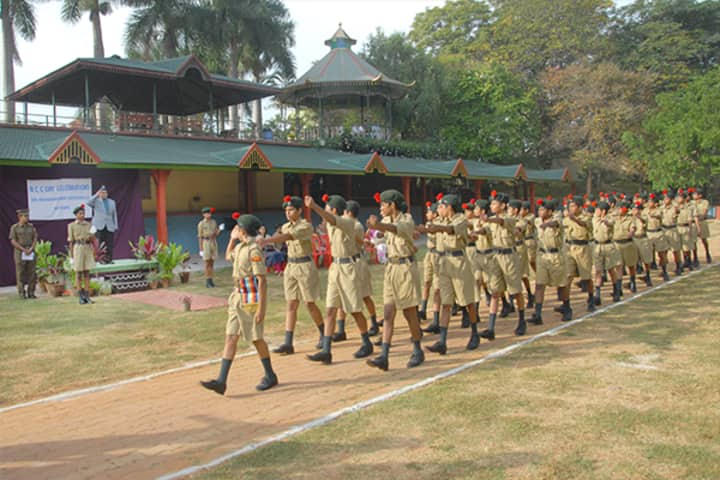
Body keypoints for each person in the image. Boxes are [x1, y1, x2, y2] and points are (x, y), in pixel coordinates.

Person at [201, 214, 278, 394]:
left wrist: (261, 308)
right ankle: (221, 381)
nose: (236, 230)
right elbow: (228, 255)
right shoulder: (241, 247)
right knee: (231, 336)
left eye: (238, 228)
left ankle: (270, 374)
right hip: (237, 297)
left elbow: (262, 280)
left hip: (251, 298)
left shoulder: (254, 250)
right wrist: (231, 240)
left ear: (243, 230)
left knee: (256, 338)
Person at [306, 194, 374, 364]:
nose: (325, 211)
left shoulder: (346, 221)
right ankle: (326, 350)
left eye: (328, 207)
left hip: (348, 268)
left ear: (334, 210)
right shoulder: (332, 223)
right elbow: (329, 220)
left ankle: (366, 342)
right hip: (335, 268)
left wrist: (314, 207)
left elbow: (330, 218)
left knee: (355, 309)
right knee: (331, 309)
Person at [257, 196, 326, 355]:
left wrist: (266, 241)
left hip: (304, 265)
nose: (288, 213)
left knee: (309, 303)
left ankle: (323, 333)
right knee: (291, 303)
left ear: (299, 210)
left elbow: (288, 237)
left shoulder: (306, 226)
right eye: (286, 210)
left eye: (291, 210)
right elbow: (282, 236)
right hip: (291, 265)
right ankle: (288, 343)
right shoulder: (285, 226)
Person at [365, 189, 425, 371]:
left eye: (384, 204)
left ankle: (417, 349)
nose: (381, 207)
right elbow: (383, 234)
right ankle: (384, 355)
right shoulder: (385, 221)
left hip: (405, 268)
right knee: (389, 313)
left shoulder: (406, 219)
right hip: (391, 268)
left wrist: (380, 227)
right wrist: (376, 233)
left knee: (409, 313)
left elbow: (395, 229)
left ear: (393, 205)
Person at [418, 193, 480, 353]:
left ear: (449, 207)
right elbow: (432, 229)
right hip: (443, 264)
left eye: (441, 206)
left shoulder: (460, 219)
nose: (438, 209)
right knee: (446, 303)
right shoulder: (439, 221)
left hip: (458, 263)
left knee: (467, 302)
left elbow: (452, 230)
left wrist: (436, 227)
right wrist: (421, 229)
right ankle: (442, 341)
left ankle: (474, 333)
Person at [478, 191, 526, 340]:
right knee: (495, 291)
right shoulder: (491, 221)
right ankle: (491, 328)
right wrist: (477, 231)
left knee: (515, 291)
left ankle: (522, 321)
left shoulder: (510, 218)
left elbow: (501, 222)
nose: (491, 205)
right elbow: (487, 230)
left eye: (494, 203)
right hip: (496, 256)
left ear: (503, 205)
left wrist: (489, 220)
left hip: (509, 257)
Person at [333, 200, 380, 341]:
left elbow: (357, 240)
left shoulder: (356, 225)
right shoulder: (351, 224)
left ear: (348, 212)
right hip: (350, 262)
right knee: (343, 295)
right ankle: (341, 329)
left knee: (365, 295)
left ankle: (373, 323)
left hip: (357, 262)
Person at [529, 199, 572, 324]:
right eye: (539, 209)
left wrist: (547, 224)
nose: (540, 212)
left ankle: (567, 307)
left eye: (543, 209)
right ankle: (537, 314)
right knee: (539, 284)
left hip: (556, 256)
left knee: (561, 284)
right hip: (542, 255)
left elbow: (556, 223)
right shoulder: (536, 221)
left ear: (550, 211)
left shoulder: (557, 220)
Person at [563, 196, 596, 312]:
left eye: (573, 206)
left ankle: (591, 299)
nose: (570, 208)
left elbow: (585, 224)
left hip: (583, 248)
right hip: (569, 248)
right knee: (567, 277)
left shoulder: (587, 217)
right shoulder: (566, 219)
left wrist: (574, 219)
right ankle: (566, 305)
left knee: (586, 277)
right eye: (569, 206)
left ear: (580, 207)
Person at [593, 201, 622, 304]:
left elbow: (611, 224)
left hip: (608, 245)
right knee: (598, 270)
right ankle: (597, 294)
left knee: (611, 269)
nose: (596, 211)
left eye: (598, 209)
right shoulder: (594, 219)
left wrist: (605, 221)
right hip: (597, 246)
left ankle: (616, 290)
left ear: (603, 211)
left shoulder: (610, 218)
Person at [67, 204, 96, 304]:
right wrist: (71, 257)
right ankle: (80, 296)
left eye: (83, 213)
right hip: (78, 248)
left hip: (87, 248)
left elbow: (92, 239)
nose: (82, 215)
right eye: (80, 213)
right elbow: (71, 241)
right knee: (78, 273)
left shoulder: (88, 225)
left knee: (87, 273)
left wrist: (93, 233)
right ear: (76, 215)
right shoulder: (71, 226)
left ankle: (87, 295)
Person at [9, 208, 38, 299]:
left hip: (30, 251)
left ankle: (31, 292)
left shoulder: (31, 227)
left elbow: (35, 238)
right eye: (25, 216)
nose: (27, 218)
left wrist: (31, 248)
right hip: (20, 252)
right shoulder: (15, 227)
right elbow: (13, 241)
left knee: (32, 273)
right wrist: (23, 249)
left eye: (27, 216)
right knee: (20, 273)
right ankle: (22, 293)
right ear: (19, 217)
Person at [87, 185, 117, 263]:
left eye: (105, 193)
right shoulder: (96, 201)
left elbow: (114, 214)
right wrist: (97, 195)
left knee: (109, 244)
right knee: (99, 243)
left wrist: (115, 225)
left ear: (107, 194)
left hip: (109, 226)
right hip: (99, 226)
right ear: (100, 193)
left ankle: (109, 259)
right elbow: (88, 202)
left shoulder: (112, 202)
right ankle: (99, 259)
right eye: (102, 193)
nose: (104, 194)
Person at [197, 207, 219, 288]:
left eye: (209, 213)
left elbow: (216, 233)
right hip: (205, 242)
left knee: (212, 262)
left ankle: (211, 280)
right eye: (206, 213)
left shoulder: (213, 222)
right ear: (203, 214)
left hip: (213, 242)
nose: (208, 214)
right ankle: (207, 281)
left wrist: (218, 231)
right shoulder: (201, 224)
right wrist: (201, 249)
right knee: (207, 263)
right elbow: (200, 236)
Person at [692, 188, 712, 264]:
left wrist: (696, 216)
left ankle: (707, 253)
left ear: (700, 195)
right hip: (694, 223)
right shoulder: (692, 203)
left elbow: (704, 212)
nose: (693, 196)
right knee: (693, 241)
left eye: (695, 194)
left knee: (704, 239)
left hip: (702, 222)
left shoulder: (704, 202)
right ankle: (695, 257)